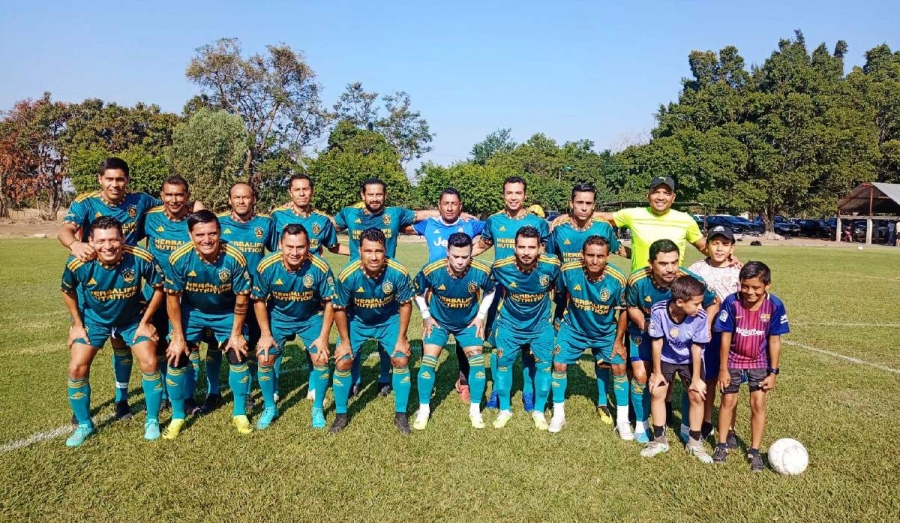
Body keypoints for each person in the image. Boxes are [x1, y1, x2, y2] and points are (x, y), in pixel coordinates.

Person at [58, 157, 162, 421]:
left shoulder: (141, 200)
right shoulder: (85, 202)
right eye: (110, 179)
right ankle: (82, 413)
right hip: (93, 290)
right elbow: (66, 230)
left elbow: (174, 206)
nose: (115, 184)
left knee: (122, 347)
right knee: (82, 354)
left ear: (127, 180)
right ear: (100, 179)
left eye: (120, 179)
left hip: (126, 283)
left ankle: (122, 399)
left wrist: (197, 209)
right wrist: (75, 246)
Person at [60, 217, 165, 446]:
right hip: (94, 321)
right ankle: (85, 424)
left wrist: (146, 321)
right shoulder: (78, 262)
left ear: (123, 238)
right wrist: (77, 324)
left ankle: (152, 420)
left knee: (149, 362)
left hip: (131, 320)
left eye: (113, 240)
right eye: (101, 241)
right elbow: (67, 291)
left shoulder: (140, 257)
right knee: (76, 367)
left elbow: (159, 287)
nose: (108, 246)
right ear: (91, 241)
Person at [333, 178, 439, 398]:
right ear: (362, 196)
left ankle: (384, 377)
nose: (374, 198)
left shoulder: (395, 214)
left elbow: (420, 215)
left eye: (379, 194)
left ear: (385, 195)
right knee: (356, 330)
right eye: (370, 194)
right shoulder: (349, 214)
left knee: (386, 330)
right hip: (357, 281)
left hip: (388, 281)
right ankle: (355, 378)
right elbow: (327, 226)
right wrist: (348, 253)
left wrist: (454, 213)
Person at [163, 210, 253, 438]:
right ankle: (177, 416)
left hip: (225, 312)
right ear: (190, 234)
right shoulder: (179, 258)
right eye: (200, 234)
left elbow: (242, 298)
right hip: (192, 312)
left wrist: (236, 334)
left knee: (237, 353)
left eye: (212, 233)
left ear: (220, 232)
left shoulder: (234, 257)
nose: (207, 239)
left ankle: (240, 413)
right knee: (176, 356)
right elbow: (173, 298)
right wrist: (177, 335)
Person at [625, 239, 718, 443]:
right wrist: (644, 325)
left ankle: (687, 426)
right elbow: (631, 306)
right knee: (642, 376)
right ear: (651, 264)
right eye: (663, 264)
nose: (670, 269)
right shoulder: (637, 280)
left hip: (681, 337)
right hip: (647, 331)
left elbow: (713, 302)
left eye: (674, 262)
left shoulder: (689, 280)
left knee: (690, 382)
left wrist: (706, 326)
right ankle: (642, 422)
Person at [549, 182, 628, 417]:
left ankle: (602, 401)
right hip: (568, 297)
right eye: (579, 202)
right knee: (557, 353)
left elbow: (620, 251)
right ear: (571, 203)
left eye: (588, 203)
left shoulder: (604, 228)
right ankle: (550, 402)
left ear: (594, 206)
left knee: (603, 355)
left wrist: (648, 259)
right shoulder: (560, 229)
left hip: (597, 298)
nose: (583, 207)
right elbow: (550, 260)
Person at [473, 176, 551, 412]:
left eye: (518, 193)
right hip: (500, 289)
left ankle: (528, 391)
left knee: (529, 345)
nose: (514, 197)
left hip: (529, 291)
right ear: (503, 195)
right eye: (509, 193)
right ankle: (498, 389)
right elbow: (482, 245)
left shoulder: (538, 223)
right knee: (499, 343)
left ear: (525, 195)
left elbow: (544, 255)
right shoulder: (494, 221)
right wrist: (461, 258)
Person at [330, 228, 415, 434]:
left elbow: (405, 304)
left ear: (385, 250)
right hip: (357, 321)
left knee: (401, 358)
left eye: (378, 251)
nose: (374, 256)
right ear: (360, 250)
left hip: (388, 320)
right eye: (368, 251)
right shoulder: (347, 275)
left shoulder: (398, 272)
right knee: (343, 360)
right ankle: (341, 415)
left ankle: (401, 415)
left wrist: (402, 338)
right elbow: (339, 308)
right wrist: (344, 341)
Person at [405, 187, 486, 404]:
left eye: (454, 204)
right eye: (445, 203)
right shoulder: (429, 224)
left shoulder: (470, 224)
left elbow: (494, 230)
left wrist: (473, 253)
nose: (450, 207)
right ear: (439, 205)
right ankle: (427, 384)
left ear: (461, 206)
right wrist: (429, 214)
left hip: (464, 286)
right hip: (435, 288)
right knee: (430, 332)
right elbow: (401, 224)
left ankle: (464, 382)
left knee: (465, 337)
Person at [252, 224, 337, 429]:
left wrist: (324, 336)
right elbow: (259, 300)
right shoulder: (267, 265)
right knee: (264, 358)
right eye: (289, 246)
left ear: (309, 245)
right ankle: (270, 407)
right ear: (280, 244)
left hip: (310, 318)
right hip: (278, 317)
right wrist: (265, 334)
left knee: (322, 358)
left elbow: (330, 303)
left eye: (300, 247)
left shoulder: (320, 267)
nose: (295, 252)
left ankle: (317, 407)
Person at [412, 232, 496, 430]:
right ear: (447, 252)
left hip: (468, 324)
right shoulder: (432, 269)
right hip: (439, 323)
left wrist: (481, 316)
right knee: (429, 361)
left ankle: (475, 410)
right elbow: (416, 291)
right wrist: (426, 316)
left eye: (465, 257)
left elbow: (491, 290)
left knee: (477, 363)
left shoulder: (481, 271)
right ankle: (424, 409)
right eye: (456, 256)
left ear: (471, 255)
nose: (460, 261)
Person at [713, 262, 790, 471]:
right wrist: (723, 368)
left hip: (759, 360)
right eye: (745, 286)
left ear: (767, 285)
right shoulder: (731, 303)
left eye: (756, 287)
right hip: (733, 359)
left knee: (758, 404)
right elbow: (725, 337)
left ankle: (754, 450)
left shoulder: (775, 305)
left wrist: (773, 372)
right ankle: (722, 444)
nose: (749, 292)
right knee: (728, 400)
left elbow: (775, 341)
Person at [489, 226, 560, 430]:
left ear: (540, 248)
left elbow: (562, 287)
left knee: (544, 367)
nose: (526, 252)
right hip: (509, 326)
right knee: (504, 365)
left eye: (531, 247)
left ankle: (539, 410)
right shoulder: (501, 267)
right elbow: (483, 287)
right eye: (521, 247)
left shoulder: (552, 265)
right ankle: (505, 409)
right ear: (514, 247)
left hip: (540, 327)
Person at [216, 182, 278, 412]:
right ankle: (216, 391)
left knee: (251, 343)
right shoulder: (219, 223)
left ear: (254, 199)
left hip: (255, 296)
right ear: (229, 199)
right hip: (225, 296)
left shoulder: (265, 224)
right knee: (222, 344)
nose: (241, 201)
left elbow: (277, 252)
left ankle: (250, 390)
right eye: (237, 197)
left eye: (246, 197)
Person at [640, 275, 714, 463]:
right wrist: (656, 373)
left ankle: (695, 443)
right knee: (657, 392)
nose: (700, 307)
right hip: (666, 357)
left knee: (697, 395)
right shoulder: (658, 310)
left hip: (690, 359)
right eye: (696, 304)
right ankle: (659, 440)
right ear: (680, 302)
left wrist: (696, 378)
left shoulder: (700, 316)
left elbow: (697, 347)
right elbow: (657, 342)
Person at [143, 175, 195, 414]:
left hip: (186, 296)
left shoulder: (194, 222)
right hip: (154, 294)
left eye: (179, 194)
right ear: (162, 196)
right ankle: (164, 394)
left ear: (187, 196)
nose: (174, 199)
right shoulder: (150, 218)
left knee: (188, 344)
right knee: (158, 343)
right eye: (169, 195)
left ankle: (188, 395)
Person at [687, 225, 740, 442]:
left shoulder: (739, 270)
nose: (719, 249)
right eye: (715, 243)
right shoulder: (697, 269)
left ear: (732, 248)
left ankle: (731, 428)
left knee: (730, 382)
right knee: (708, 378)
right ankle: (707, 421)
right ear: (706, 245)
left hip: (732, 334)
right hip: (705, 332)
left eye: (724, 244)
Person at [270, 174, 343, 256]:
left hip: (312, 268)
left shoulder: (323, 219)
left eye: (305, 189)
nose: (301, 193)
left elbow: (333, 247)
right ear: (290, 192)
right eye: (297, 190)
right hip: (284, 268)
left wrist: (358, 251)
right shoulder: (277, 215)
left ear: (312, 191)